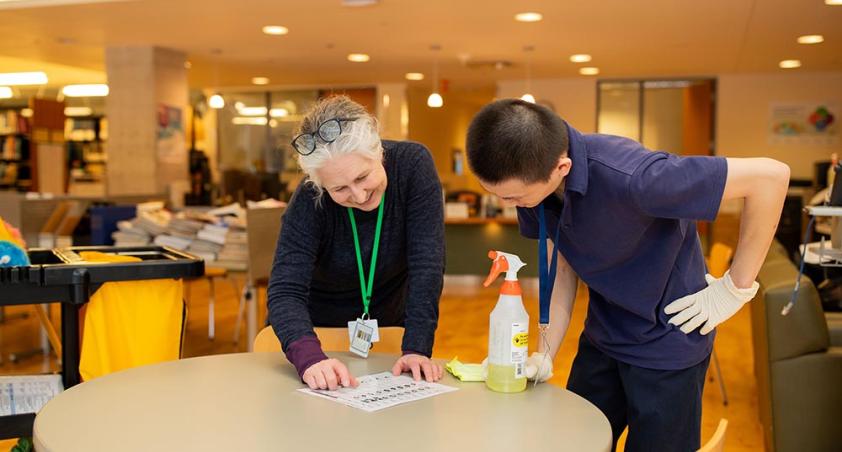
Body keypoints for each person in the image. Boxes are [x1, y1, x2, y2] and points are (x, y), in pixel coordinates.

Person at [465, 99, 789, 451]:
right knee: (573, 443)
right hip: (603, 336)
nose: (509, 204)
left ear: (562, 167)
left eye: (513, 197)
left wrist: (735, 288)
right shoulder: (534, 180)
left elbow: (771, 178)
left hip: (667, 344)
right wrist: (546, 353)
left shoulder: (637, 176)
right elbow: (562, 267)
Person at [267, 96, 445, 391]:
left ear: (378, 151)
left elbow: (426, 265)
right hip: (312, 337)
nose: (359, 196)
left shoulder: (413, 166)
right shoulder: (310, 197)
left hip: (388, 333)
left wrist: (417, 347)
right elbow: (285, 290)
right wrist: (310, 359)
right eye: (339, 188)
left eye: (363, 177)